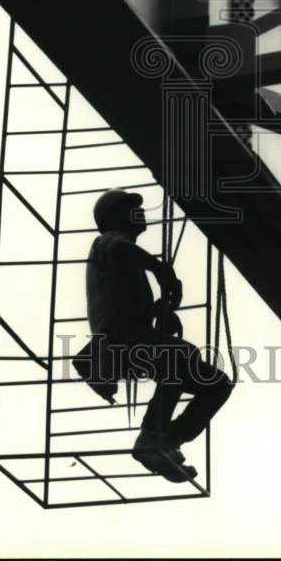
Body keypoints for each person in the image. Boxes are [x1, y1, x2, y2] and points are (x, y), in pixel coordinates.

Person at [81, 187, 233, 483]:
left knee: (217, 384)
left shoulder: (125, 263)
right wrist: (158, 268)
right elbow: (118, 250)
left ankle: (167, 440)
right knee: (180, 356)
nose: (139, 213)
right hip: (118, 344)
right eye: (130, 209)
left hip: (134, 339)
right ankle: (151, 437)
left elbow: (126, 305)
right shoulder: (107, 243)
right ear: (115, 218)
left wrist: (157, 313)